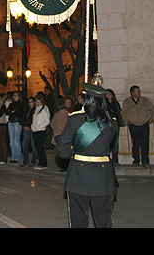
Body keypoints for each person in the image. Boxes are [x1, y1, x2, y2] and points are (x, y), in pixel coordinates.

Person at [56, 83, 119, 228]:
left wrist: (77, 153)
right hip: (103, 178)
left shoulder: (75, 119)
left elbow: (63, 150)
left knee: (78, 221)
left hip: (79, 175)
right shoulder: (112, 123)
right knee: (104, 221)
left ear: (87, 100)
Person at [121, 85, 154, 168]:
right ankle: (136, 160)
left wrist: (152, 118)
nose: (139, 93)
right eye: (137, 92)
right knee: (136, 144)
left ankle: (145, 162)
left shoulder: (145, 100)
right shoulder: (127, 102)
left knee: (145, 144)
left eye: (139, 91)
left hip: (144, 124)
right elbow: (123, 113)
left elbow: (153, 109)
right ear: (132, 93)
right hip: (133, 125)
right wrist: (127, 121)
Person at [51, 97, 74, 171]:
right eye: (67, 102)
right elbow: (53, 123)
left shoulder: (71, 113)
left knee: (66, 150)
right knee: (63, 151)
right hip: (60, 134)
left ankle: (66, 166)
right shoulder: (60, 113)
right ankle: (64, 166)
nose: (68, 104)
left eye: (69, 102)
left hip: (65, 134)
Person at [31, 95, 51, 170]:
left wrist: (40, 126)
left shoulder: (43, 110)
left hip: (41, 131)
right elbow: (34, 121)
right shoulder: (36, 110)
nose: (37, 103)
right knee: (38, 148)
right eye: (36, 102)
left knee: (40, 148)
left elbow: (47, 121)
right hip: (35, 130)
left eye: (39, 102)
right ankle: (41, 162)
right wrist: (33, 127)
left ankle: (43, 163)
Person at [105, 89, 123, 165]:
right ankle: (107, 158)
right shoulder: (104, 104)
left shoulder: (115, 104)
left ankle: (115, 160)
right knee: (106, 142)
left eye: (110, 94)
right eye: (107, 94)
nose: (108, 96)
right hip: (106, 123)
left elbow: (119, 112)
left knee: (115, 142)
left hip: (115, 123)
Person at [5, 91, 24, 164]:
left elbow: (19, 112)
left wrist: (13, 112)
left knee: (16, 141)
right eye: (14, 95)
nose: (14, 97)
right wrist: (11, 112)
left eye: (16, 95)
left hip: (17, 122)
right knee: (11, 141)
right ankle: (13, 156)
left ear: (19, 96)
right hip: (11, 122)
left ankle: (17, 157)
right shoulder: (11, 104)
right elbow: (7, 112)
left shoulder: (21, 104)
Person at [21, 97, 37, 167]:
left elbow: (34, 120)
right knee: (24, 145)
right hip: (26, 129)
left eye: (31, 102)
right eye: (29, 102)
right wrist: (24, 125)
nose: (30, 103)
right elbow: (24, 118)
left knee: (33, 145)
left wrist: (29, 126)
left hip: (32, 129)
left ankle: (33, 161)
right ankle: (25, 161)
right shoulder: (27, 110)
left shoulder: (35, 110)